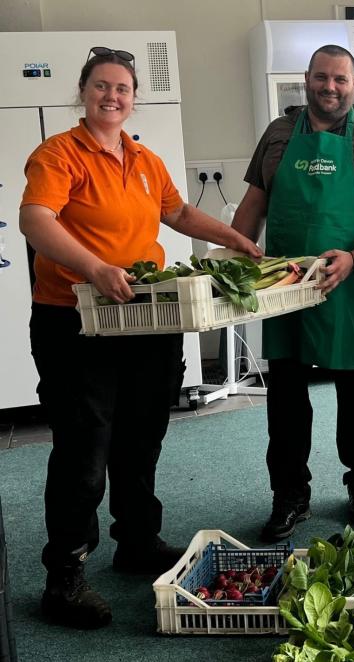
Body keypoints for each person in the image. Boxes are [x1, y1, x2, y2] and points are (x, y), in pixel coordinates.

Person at [19, 47, 262, 629]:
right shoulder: (58, 154)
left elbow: (177, 214)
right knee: (85, 448)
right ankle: (66, 576)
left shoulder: (144, 159)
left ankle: (137, 540)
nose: (113, 96)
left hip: (147, 318)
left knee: (141, 433)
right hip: (77, 321)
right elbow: (36, 219)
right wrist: (96, 268)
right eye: (102, 86)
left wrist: (237, 240)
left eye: (123, 88)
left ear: (133, 97)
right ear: (83, 92)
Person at [232, 45, 354, 541]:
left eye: (340, 80)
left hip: (348, 286)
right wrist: (234, 258)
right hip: (285, 288)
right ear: (306, 80)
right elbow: (254, 203)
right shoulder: (277, 134)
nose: (329, 88)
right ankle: (290, 494)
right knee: (286, 399)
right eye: (321, 78)